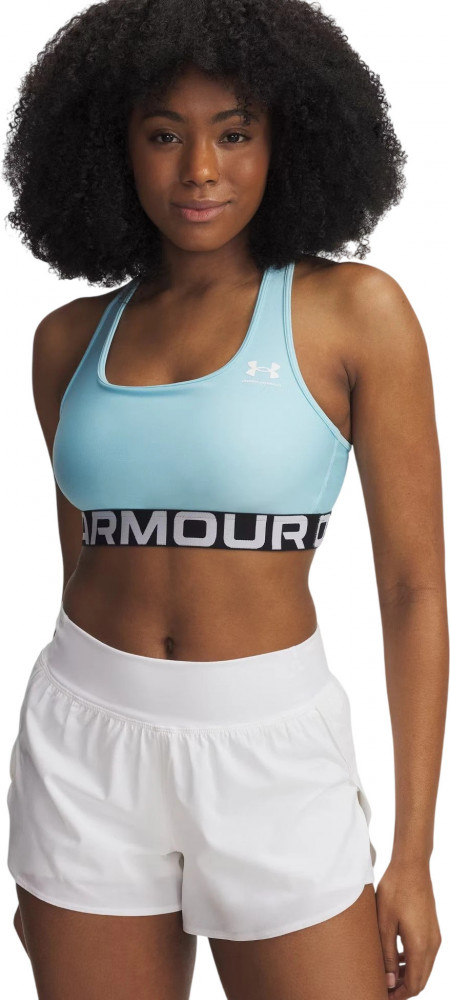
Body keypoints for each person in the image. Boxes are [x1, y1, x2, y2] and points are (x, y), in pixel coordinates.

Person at [3, 1, 447, 998]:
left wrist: (414, 854)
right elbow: (83, 562)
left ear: (287, 140)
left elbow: (415, 589)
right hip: (84, 749)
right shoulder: (67, 341)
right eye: (165, 135)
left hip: (271, 751)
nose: (200, 170)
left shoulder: (354, 314)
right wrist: (48, 830)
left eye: (235, 133)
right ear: (113, 147)